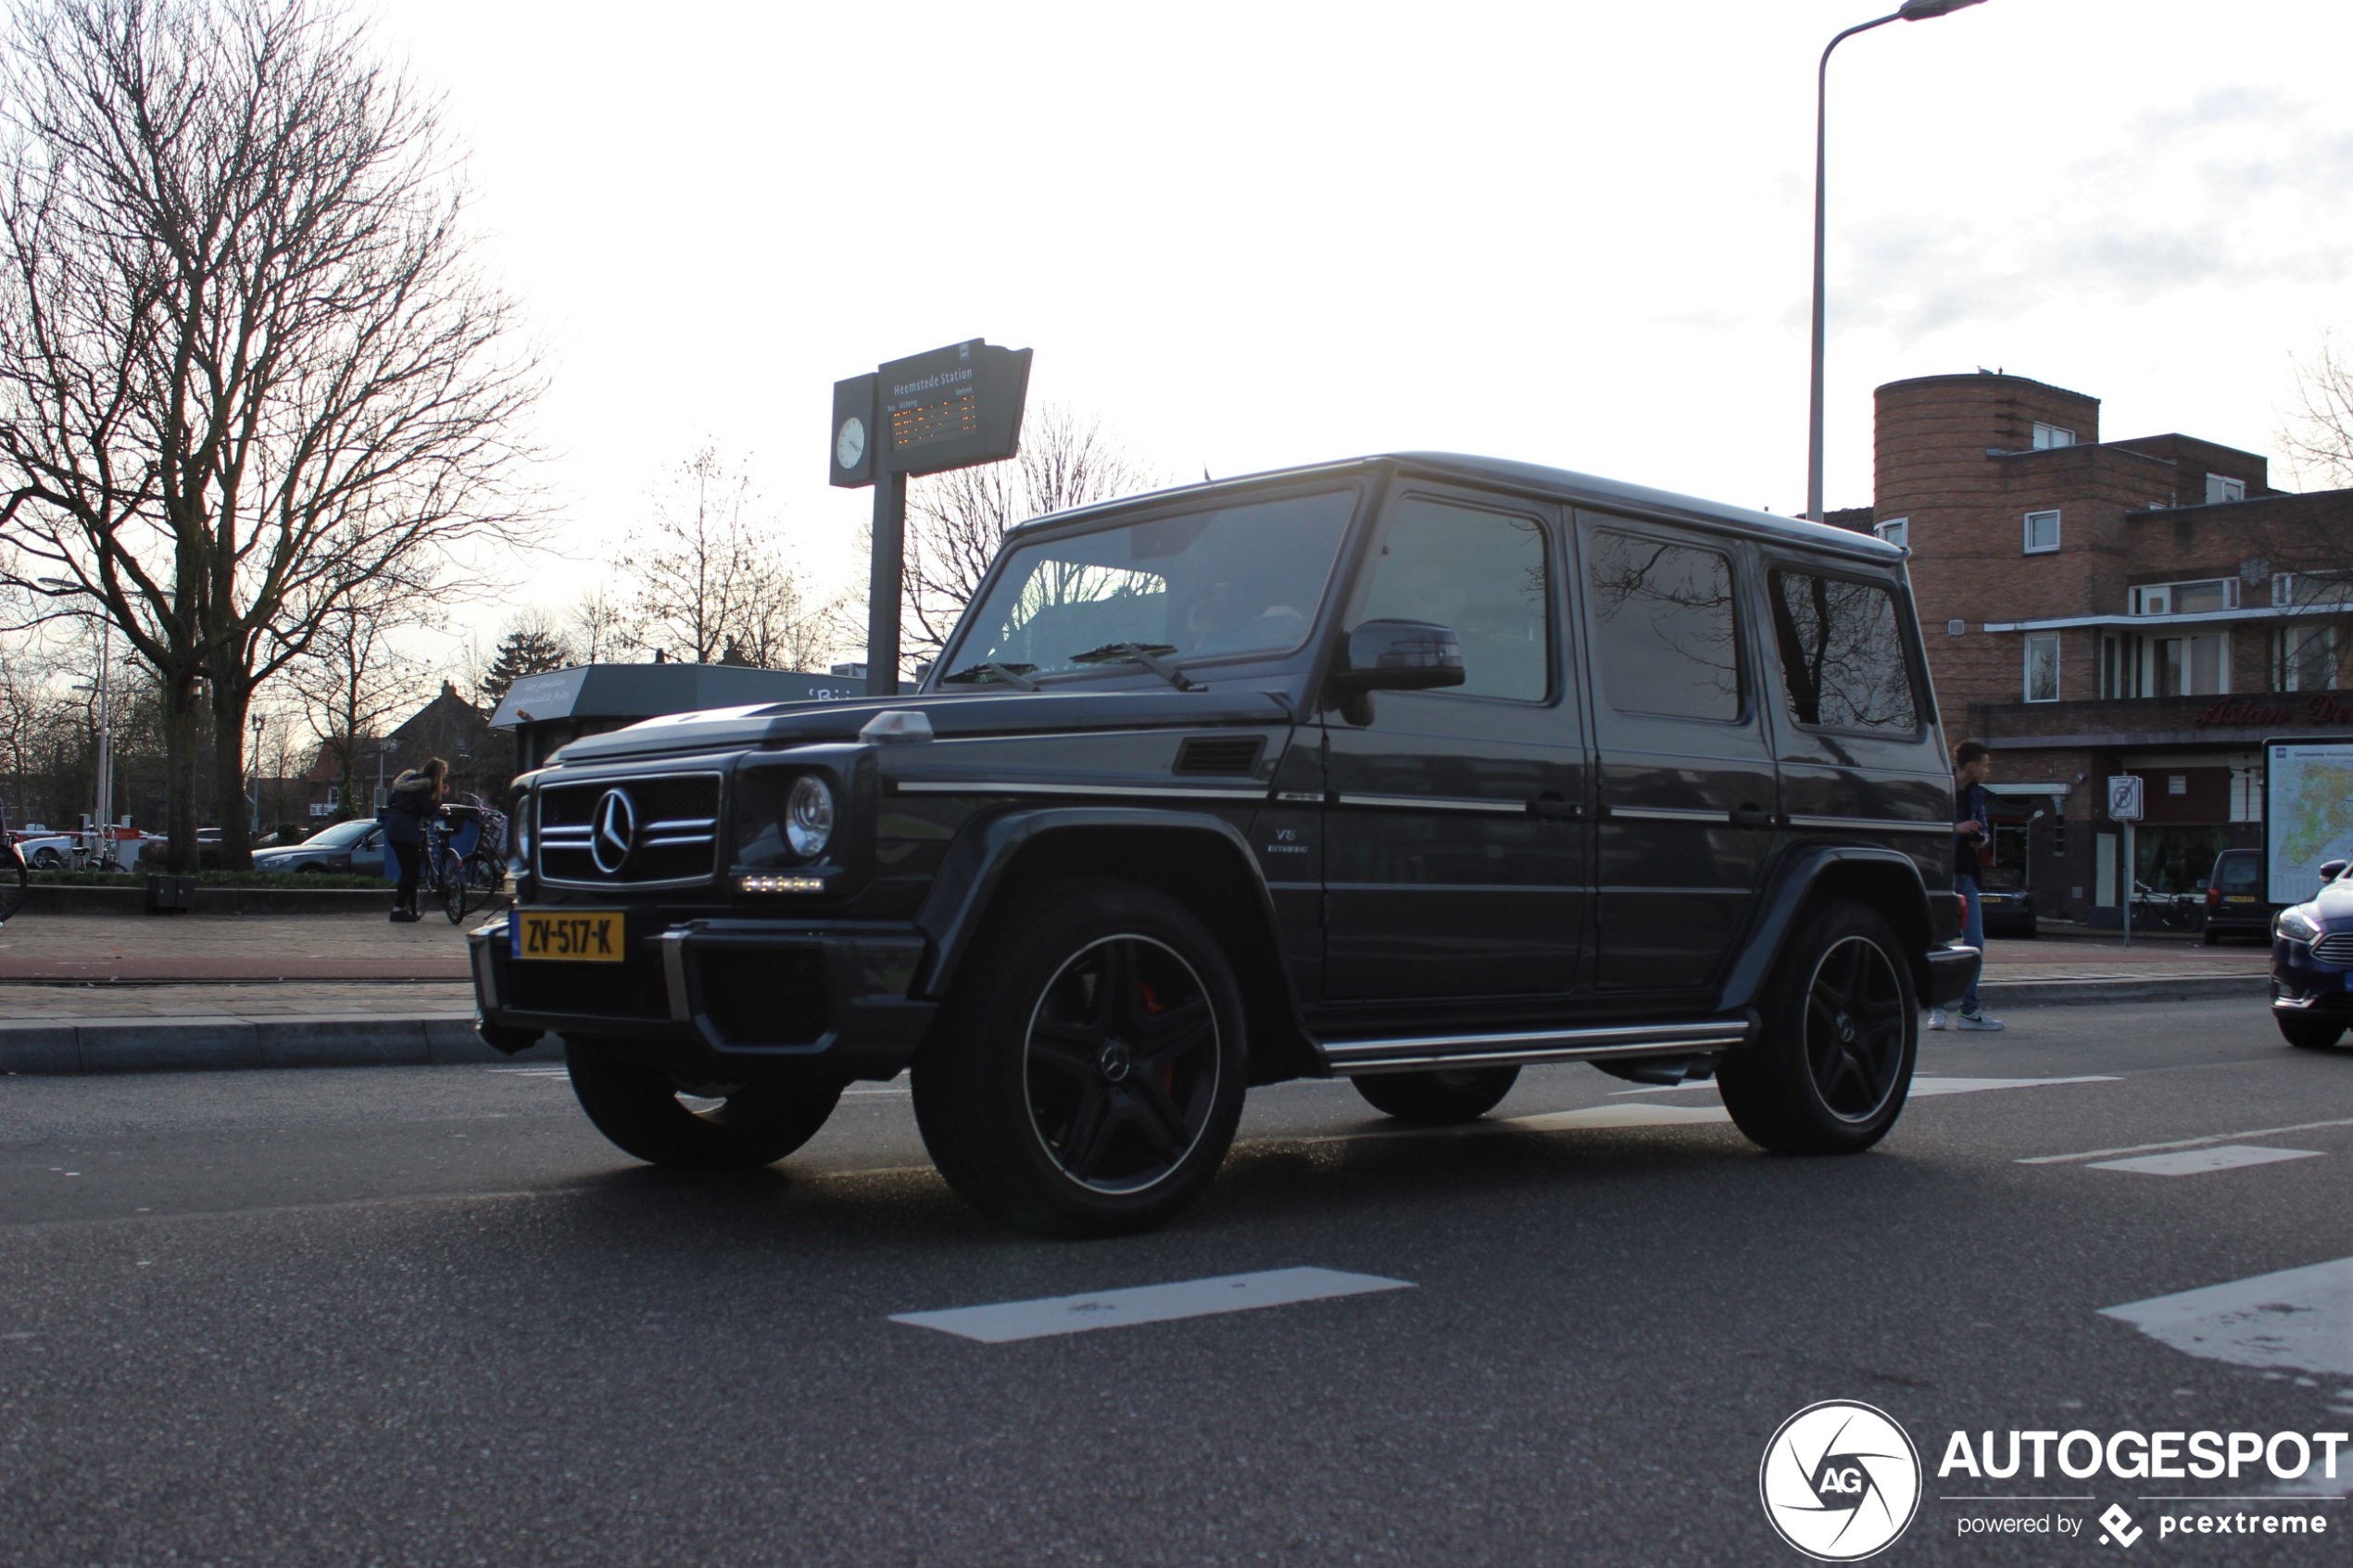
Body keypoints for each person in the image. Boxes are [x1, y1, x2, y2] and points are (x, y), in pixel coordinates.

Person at [1931, 740, 2004, 1032]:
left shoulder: (1976, 795)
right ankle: (1937, 1010)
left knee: (1975, 943)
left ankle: (1969, 1011)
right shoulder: (1939, 785)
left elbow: (1984, 830)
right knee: (1941, 943)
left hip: (1968, 876)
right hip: (1942, 874)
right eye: (1985, 764)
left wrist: (1981, 839)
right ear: (1972, 766)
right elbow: (1927, 824)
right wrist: (1957, 829)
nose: (1988, 770)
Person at [380, 758, 447, 923]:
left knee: (409, 871)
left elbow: (391, 802)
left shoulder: (408, 782)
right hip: (407, 832)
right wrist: (440, 798)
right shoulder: (424, 788)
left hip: (395, 829)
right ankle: (398, 910)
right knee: (411, 872)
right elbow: (428, 810)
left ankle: (405, 908)